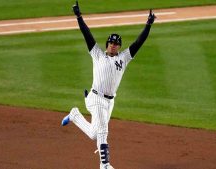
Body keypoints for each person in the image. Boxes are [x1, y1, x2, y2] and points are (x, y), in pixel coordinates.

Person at [61, 1, 155, 168]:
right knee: (103, 131)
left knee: (94, 134)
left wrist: (148, 24)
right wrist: (78, 16)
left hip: (110, 102)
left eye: (116, 43)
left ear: (119, 47)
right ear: (107, 44)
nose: (113, 45)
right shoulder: (97, 54)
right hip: (96, 97)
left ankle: (75, 114)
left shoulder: (124, 58)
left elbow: (139, 42)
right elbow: (86, 34)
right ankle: (104, 164)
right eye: (111, 42)